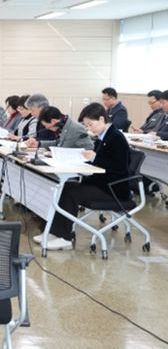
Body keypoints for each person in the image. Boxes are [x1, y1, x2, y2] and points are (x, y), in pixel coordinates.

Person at [34, 103, 131, 250]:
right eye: (86, 125)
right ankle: (54, 232)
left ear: (101, 119)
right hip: (100, 183)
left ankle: (65, 238)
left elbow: (119, 167)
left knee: (70, 194)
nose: (89, 129)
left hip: (113, 189)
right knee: (63, 188)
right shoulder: (103, 136)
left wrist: (95, 157)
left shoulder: (116, 137)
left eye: (90, 124)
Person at [25, 106, 93, 150]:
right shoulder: (63, 125)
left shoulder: (74, 128)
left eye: (45, 125)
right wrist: (38, 144)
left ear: (53, 121)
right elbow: (58, 143)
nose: (46, 128)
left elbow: (89, 148)